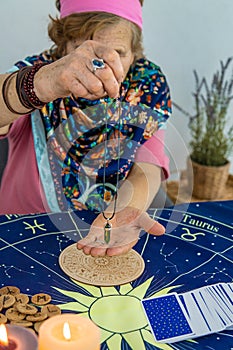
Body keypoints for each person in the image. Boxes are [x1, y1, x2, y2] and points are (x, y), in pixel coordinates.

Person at [0, 0, 172, 256]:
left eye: (119, 53)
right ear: (63, 46)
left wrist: (126, 210)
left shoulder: (145, 86)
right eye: (83, 50)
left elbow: (148, 166)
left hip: (107, 235)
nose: (102, 67)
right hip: (24, 231)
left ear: (135, 53)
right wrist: (43, 84)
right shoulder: (38, 72)